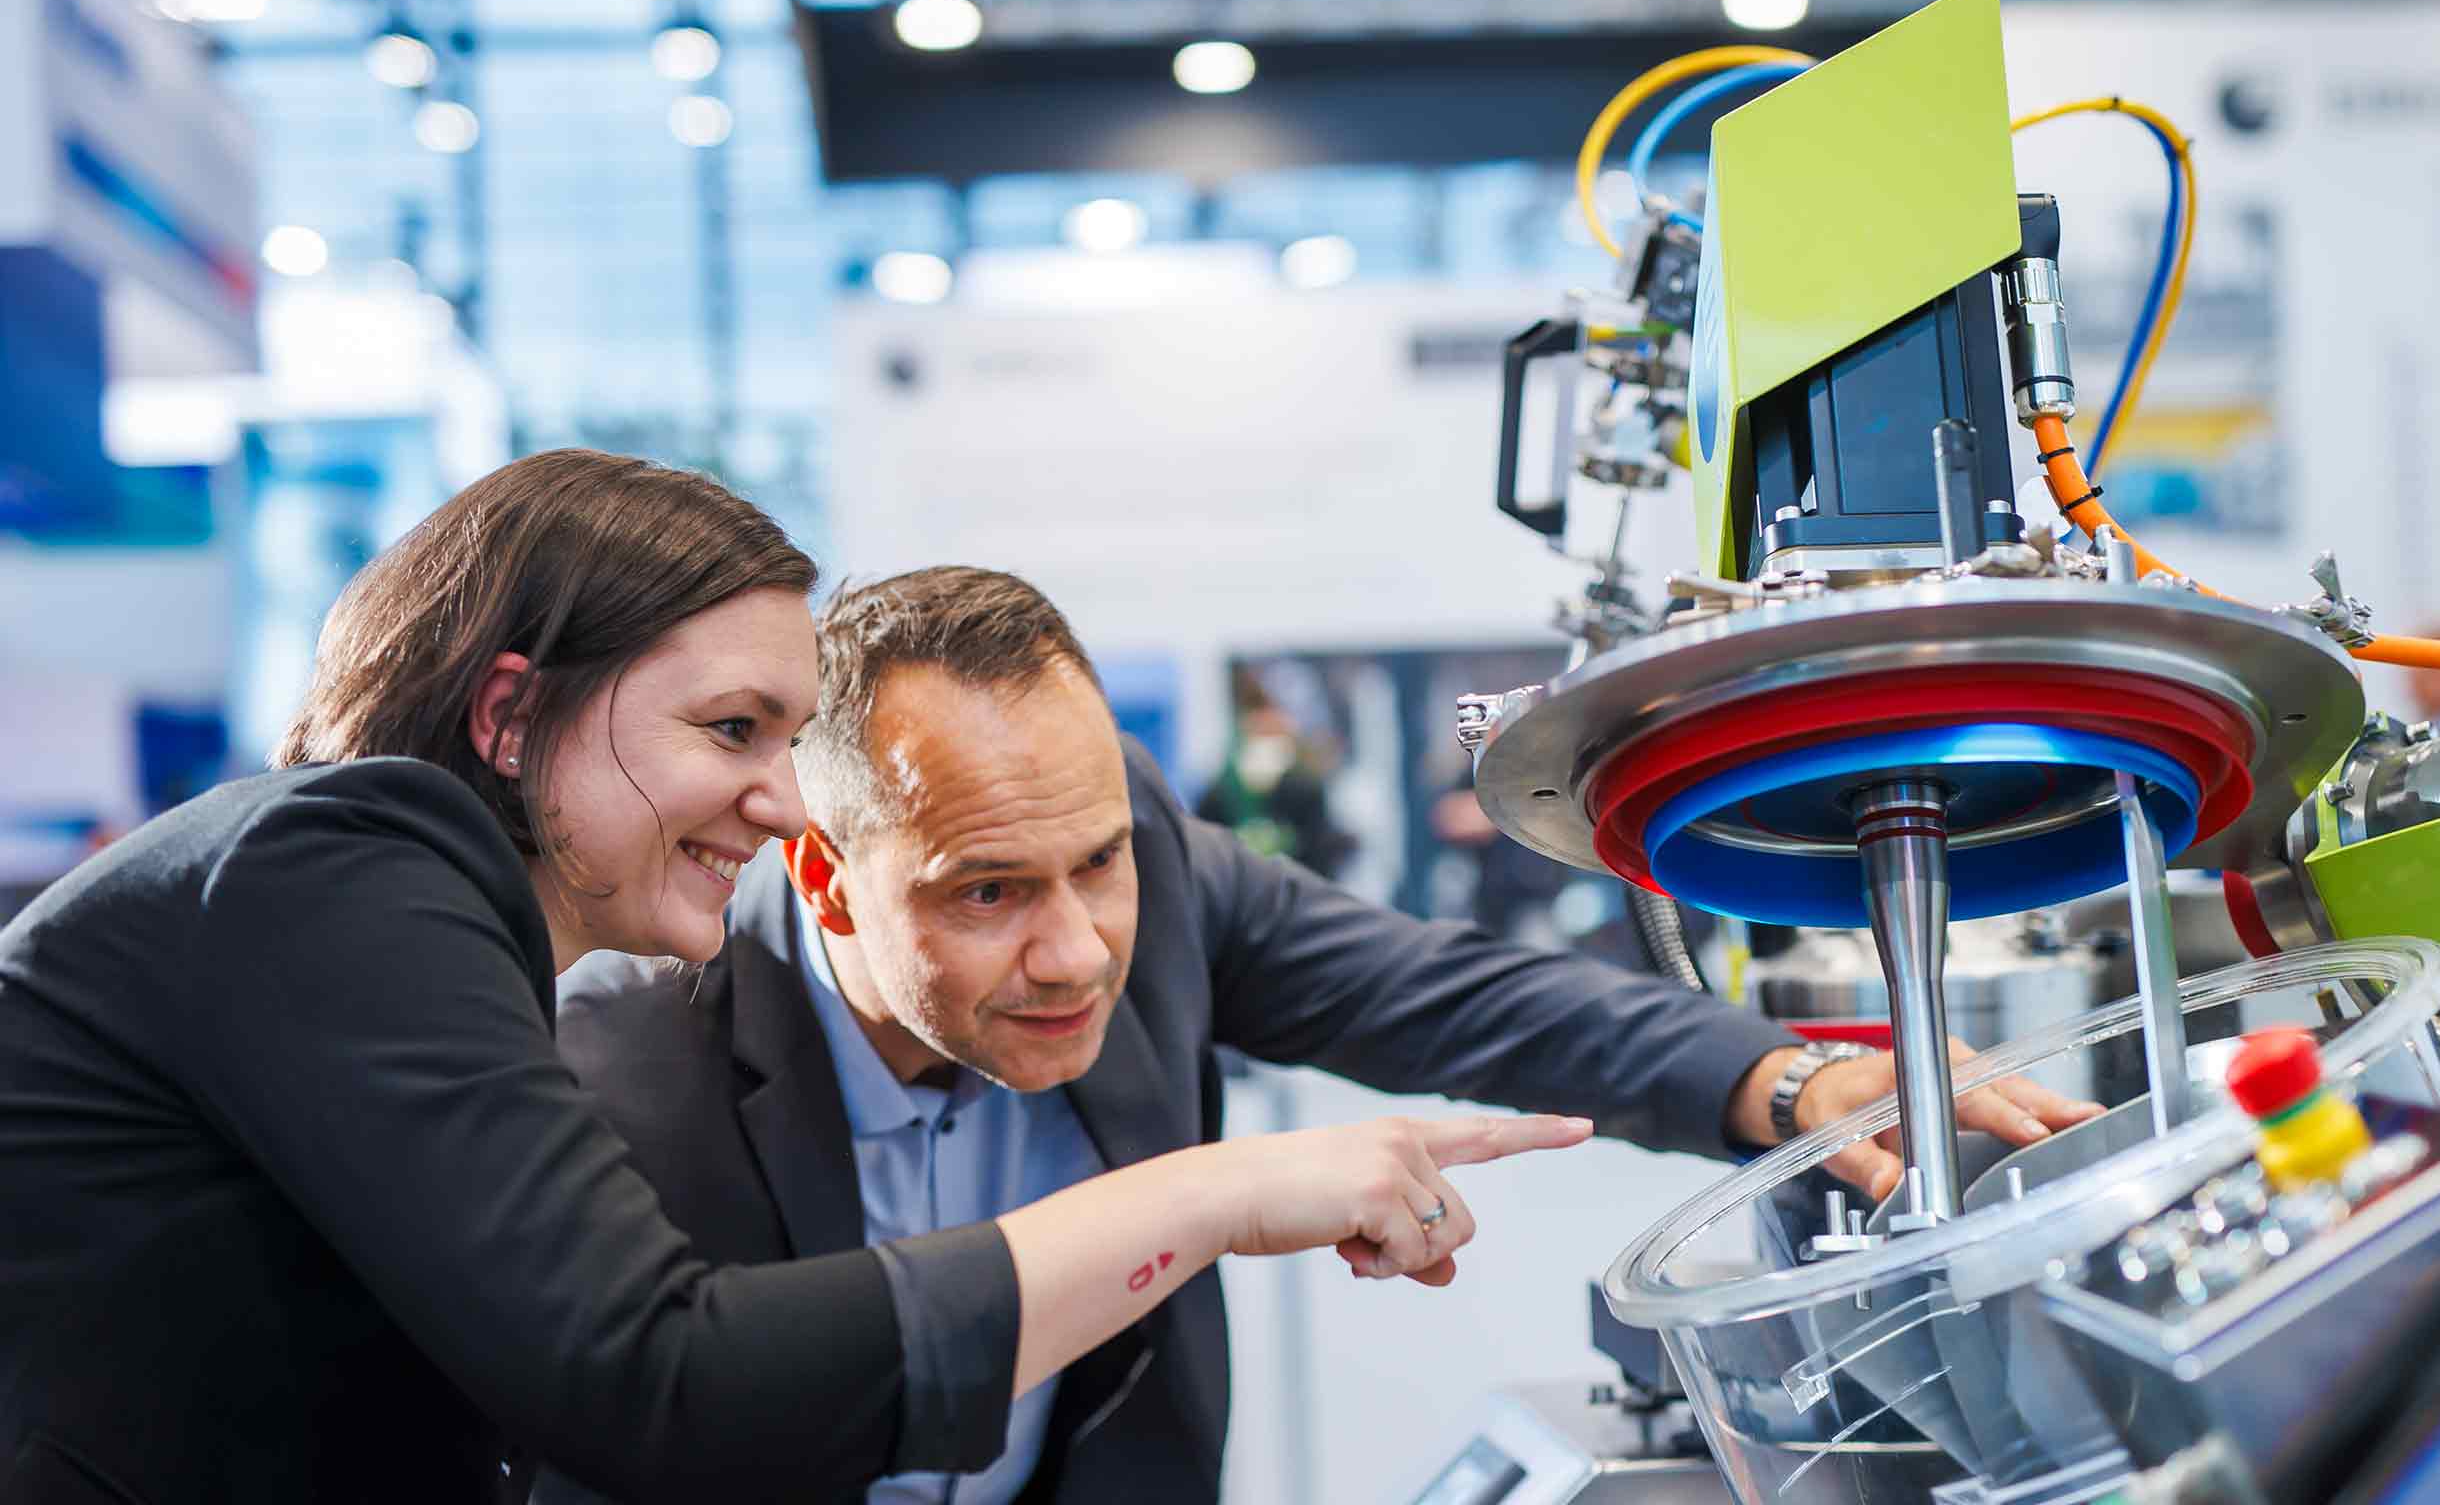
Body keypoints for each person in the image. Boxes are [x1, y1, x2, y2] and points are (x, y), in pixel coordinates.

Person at [0, 452, 1586, 1505]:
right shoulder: (347, 860)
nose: (780, 802)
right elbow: (668, 1379)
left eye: (792, 737)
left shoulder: (402, 921)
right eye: (732, 731)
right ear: (510, 717)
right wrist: (1215, 1198)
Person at [540, 565, 2104, 1505]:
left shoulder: (1154, 869)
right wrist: (1217, 1197)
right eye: (989, 891)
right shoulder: (627, 1061)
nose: (1075, 951)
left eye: (1098, 862)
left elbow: (1448, 992)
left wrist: (1790, 1078)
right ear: (824, 872)